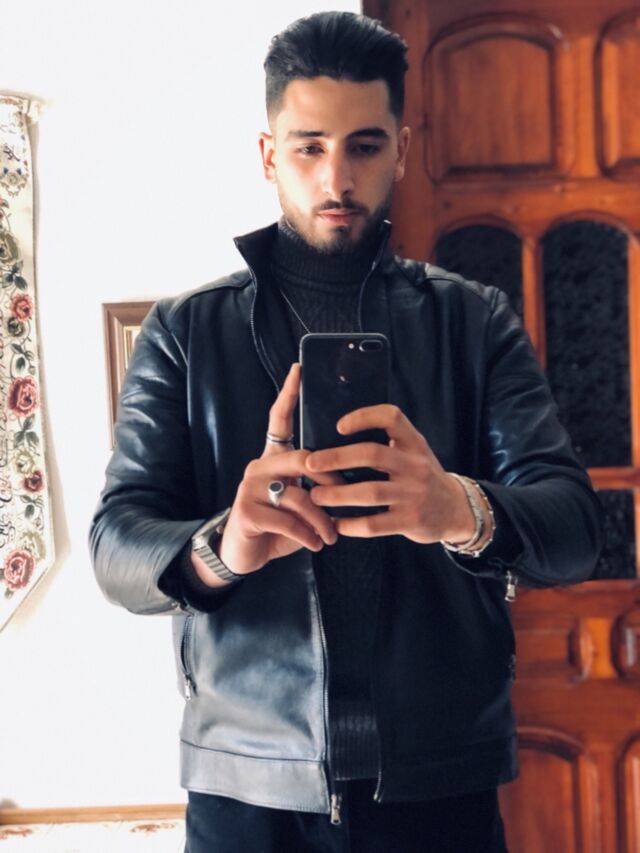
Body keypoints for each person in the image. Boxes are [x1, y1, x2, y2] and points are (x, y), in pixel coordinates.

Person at [90, 11, 603, 853]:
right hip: (246, 788)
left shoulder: (474, 322)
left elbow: (576, 529)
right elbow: (116, 546)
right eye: (309, 147)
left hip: (442, 783)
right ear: (268, 155)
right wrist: (226, 545)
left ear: (402, 149)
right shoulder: (185, 333)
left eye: (364, 146)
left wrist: (459, 509)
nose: (337, 177)